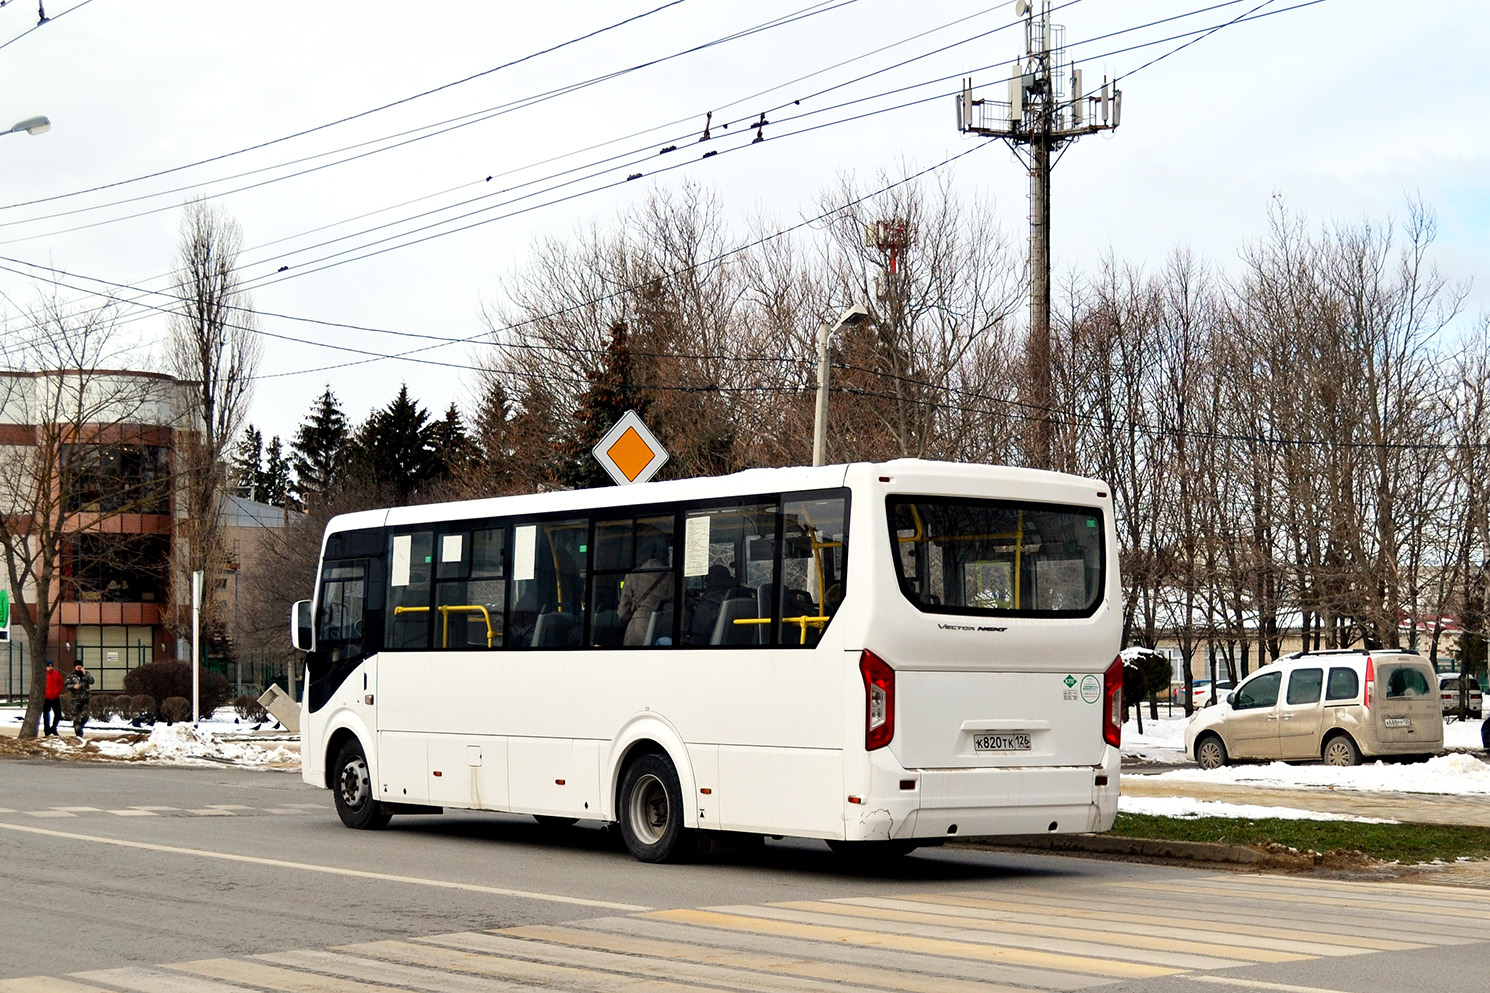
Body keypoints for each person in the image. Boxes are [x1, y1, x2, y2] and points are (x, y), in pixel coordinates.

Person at [65, 662, 94, 738]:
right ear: (75, 667)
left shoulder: (86, 674)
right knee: (76, 717)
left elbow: (92, 681)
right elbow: (67, 685)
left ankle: (80, 727)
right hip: (75, 699)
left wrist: (85, 674)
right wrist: (74, 686)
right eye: (77, 666)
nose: (78, 667)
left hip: (85, 699)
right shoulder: (71, 675)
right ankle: (78, 733)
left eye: (80, 665)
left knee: (86, 716)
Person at [42, 660, 64, 736]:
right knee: (46, 715)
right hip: (46, 697)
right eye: (48, 666)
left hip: (55, 697)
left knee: (58, 714)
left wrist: (57, 692)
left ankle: (54, 727)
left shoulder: (56, 674)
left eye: (51, 666)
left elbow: (60, 683)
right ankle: (47, 730)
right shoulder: (43, 674)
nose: (50, 668)